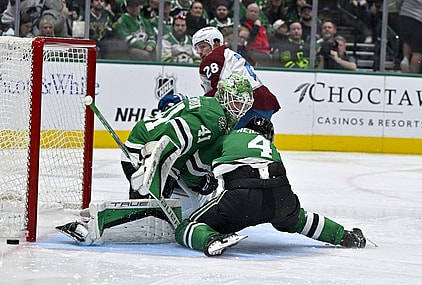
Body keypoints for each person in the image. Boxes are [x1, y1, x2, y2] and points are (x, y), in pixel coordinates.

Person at [175, 117, 367, 257]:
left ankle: (210, 240)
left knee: (186, 226)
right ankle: (346, 236)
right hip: (280, 195)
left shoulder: (228, 138)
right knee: (300, 219)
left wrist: (199, 183)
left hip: (241, 198)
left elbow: (193, 167)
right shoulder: (269, 147)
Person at [121, 74, 254, 201]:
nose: (240, 109)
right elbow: (174, 131)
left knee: (150, 206)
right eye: (236, 103)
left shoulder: (212, 107)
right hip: (141, 149)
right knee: (148, 205)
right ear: (224, 96)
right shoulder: (216, 118)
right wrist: (157, 165)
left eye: (244, 105)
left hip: (144, 141)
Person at [192, 26, 280, 129]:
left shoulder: (213, 58)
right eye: (197, 48)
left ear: (215, 43)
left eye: (203, 47)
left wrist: (202, 104)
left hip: (250, 104)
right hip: (262, 100)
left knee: (235, 140)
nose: (199, 52)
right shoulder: (227, 53)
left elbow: (222, 88)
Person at [398, 0, 422, 74]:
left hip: (405, 14)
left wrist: (401, 10)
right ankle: (413, 73)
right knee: (418, 51)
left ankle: (406, 58)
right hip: (421, 18)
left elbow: (398, 1)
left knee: (408, 40)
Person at [240, 2, 273, 67]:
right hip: (253, 52)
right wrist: (256, 27)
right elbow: (250, 39)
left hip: (266, 52)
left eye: (255, 12)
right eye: (251, 11)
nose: (253, 13)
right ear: (246, 12)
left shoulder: (263, 26)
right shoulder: (243, 25)